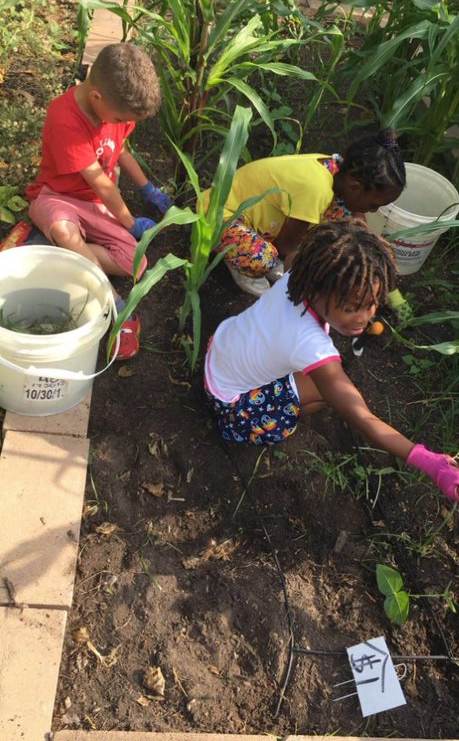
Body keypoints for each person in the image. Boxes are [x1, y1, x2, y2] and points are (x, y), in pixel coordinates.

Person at [204, 220, 459, 502]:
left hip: (221, 346)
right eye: (352, 308)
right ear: (317, 289)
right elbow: (362, 417)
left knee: (321, 383)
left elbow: (295, 256)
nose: (364, 318)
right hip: (233, 405)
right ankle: (262, 424)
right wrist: (431, 463)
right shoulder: (311, 346)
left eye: (373, 302)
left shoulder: (302, 273)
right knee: (322, 398)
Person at [26, 42, 173, 360]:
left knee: (136, 263)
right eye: (120, 117)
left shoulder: (114, 111)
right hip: (56, 197)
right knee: (65, 231)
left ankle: (60, 255)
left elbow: (120, 150)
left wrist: (149, 189)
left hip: (93, 205)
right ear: (97, 98)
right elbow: (103, 185)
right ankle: (115, 306)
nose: (122, 123)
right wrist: (131, 222)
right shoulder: (66, 118)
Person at [205, 128, 405, 297]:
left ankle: (264, 255)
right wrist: (314, 289)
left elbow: (355, 217)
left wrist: (370, 241)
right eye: (372, 205)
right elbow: (287, 246)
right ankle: (244, 267)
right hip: (219, 214)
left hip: (258, 214)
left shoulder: (336, 168)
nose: (373, 211)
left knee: (342, 220)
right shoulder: (316, 190)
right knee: (263, 259)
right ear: (355, 186)